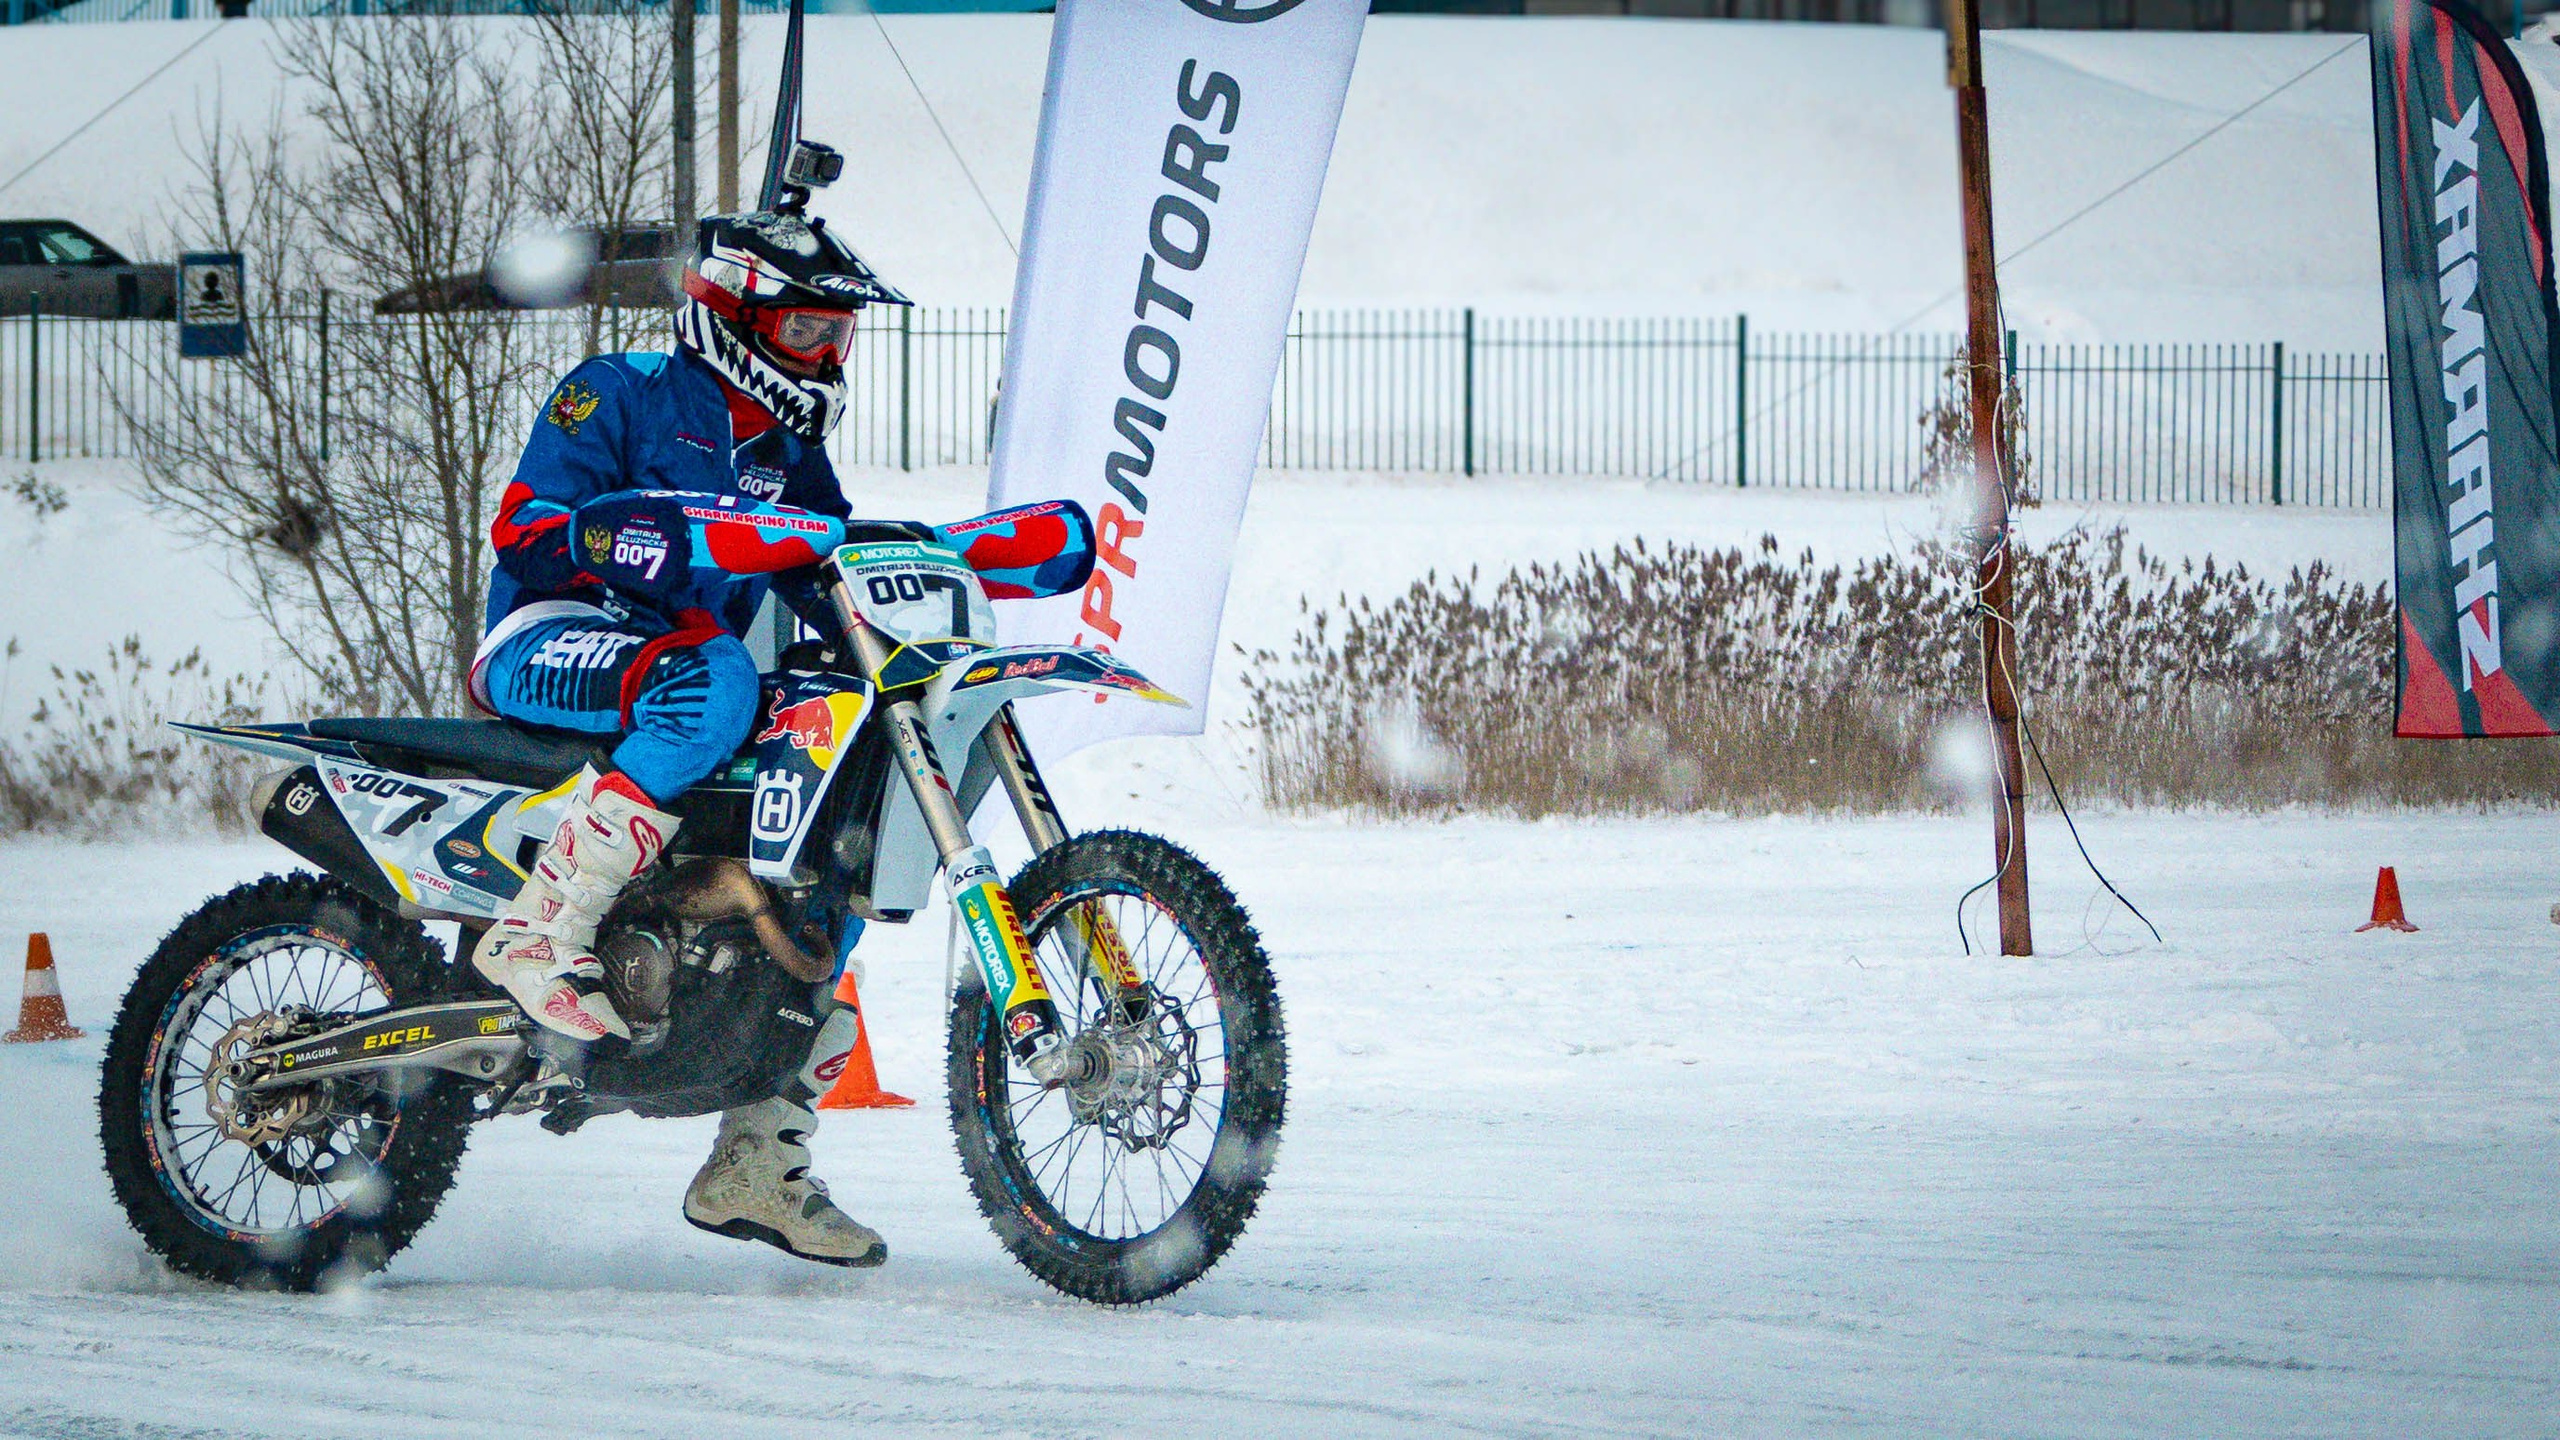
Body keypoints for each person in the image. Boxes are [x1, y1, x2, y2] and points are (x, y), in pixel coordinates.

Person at [468, 207, 905, 1267]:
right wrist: (615, 532)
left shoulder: (788, 452)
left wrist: (904, 620)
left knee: (837, 747)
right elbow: (523, 532)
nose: (826, 352)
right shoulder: (618, 390)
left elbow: (828, 570)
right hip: (550, 634)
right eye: (807, 328)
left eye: (838, 333)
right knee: (713, 678)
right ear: (735, 314)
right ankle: (540, 929)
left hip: (680, 663)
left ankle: (756, 1155)